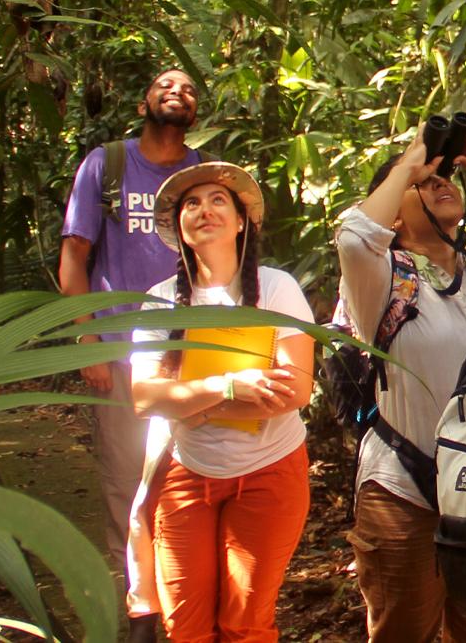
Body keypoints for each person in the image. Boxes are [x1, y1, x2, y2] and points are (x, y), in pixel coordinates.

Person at [335, 129, 466, 643]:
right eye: (424, 183)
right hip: (402, 487)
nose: (440, 184)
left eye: (445, 176)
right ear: (392, 212)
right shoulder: (380, 278)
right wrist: (408, 163)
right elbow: (353, 235)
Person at [124, 162, 316, 643]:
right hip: (186, 473)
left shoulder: (276, 288)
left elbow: (293, 391)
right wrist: (229, 388)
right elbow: (145, 397)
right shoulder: (161, 300)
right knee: (184, 626)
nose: (204, 210)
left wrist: (188, 403)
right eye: (192, 202)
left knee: (245, 624)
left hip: (270, 472)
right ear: (179, 227)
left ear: (240, 221)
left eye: (217, 200)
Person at [57, 67, 211, 615]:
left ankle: (185, 596)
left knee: (192, 475)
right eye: (166, 86)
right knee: (127, 482)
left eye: (190, 89)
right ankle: (139, 606)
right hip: (121, 350)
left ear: (196, 112)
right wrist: (88, 341)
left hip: (191, 352)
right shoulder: (109, 165)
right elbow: (75, 256)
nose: (178, 92)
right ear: (144, 103)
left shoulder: (203, 175)